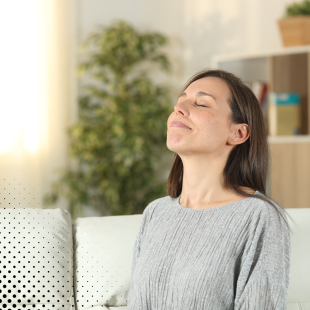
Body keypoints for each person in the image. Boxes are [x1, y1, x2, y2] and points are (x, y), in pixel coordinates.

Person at [127, 69, 293, 310]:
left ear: (238, 133)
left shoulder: (259, 216)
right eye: (180, 100)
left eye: (201, 104)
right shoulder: (156, 213)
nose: (179, 108)